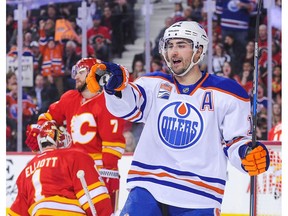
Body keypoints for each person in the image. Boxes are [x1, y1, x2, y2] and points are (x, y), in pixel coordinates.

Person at [86, 21, 270, 215]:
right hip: (148, 187)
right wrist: (115, 87)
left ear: (198, 51)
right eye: (169, 45)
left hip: (200, 195)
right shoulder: (153, 83)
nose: (173, 52)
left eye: (181, 45)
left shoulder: (228, 93)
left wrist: (247, 154)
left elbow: (237, 141)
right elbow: (128, 107)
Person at [25, 57, 126, 210]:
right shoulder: (69, 98)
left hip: (97, 170)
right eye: (75, 73)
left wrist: (109, 172)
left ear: (94, 74)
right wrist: (40, 129)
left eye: (81, 72)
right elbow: (48, 117)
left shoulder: (108, 101)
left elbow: (112, 143)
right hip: (71, 170)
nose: (76, 77)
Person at [8, 121, 113, 216]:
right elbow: (95, 197)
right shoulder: (74, 156)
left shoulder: (27, 169)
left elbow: (17, 212)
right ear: (57, 140)